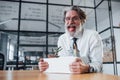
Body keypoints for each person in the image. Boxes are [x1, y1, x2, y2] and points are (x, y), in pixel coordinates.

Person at [38, 6, 103, 74]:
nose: (71, 22)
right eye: (67, 19)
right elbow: (62, 62)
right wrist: (49, 65)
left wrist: (87, 68)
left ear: (82, 21)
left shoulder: (93, 36)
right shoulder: (61, 39)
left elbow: (98, 64)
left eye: (75, 18)